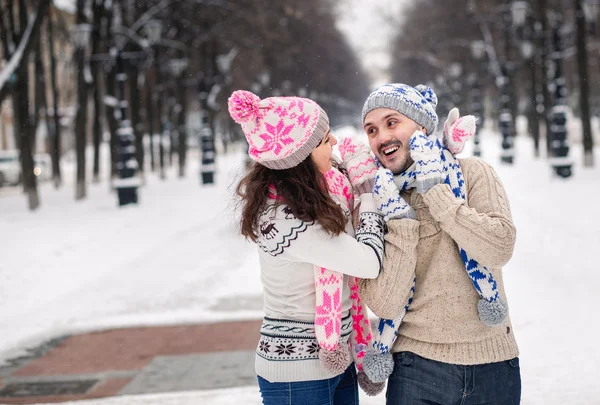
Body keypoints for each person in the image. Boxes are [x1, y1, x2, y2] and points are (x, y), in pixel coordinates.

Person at [358, 83, 521, 405]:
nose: (381, 137)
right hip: (416, 368)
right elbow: (384, 303)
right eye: (372, 130)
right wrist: (402, 224)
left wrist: (436, 193)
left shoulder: (472, 173)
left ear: (421, 126)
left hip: (494, 364)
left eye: (392, 122)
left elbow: (498, 248)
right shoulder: (374, 202)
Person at [228, 89, 385, 405]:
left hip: (336, 356)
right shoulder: (284, 218)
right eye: (326, 140)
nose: (336, 144)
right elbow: (368, 262)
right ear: (301, 154)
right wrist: (368, 197)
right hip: (297, 374)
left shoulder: (317, 196)